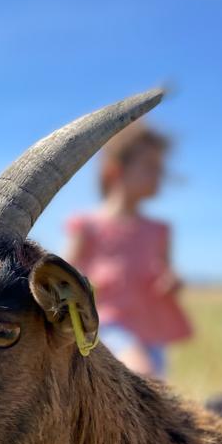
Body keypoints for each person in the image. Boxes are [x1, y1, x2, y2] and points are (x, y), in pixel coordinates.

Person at [65, 122, 191, 378]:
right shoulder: (88, 226)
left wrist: (171, 282)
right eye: (150, 167)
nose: (159, 175)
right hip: (107, 323)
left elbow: (167, 271)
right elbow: (63, 273)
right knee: (142, 371)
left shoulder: (159, 230)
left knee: (155, 385)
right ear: (116, 170)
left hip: (150, 327)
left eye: (160, 168)